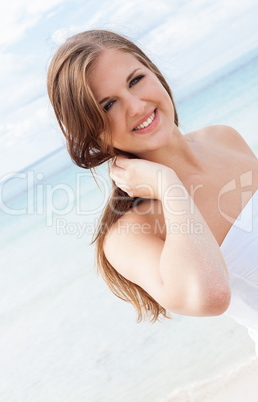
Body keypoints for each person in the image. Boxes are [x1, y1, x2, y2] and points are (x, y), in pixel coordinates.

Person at [47, 29, 258, 355]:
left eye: (135, 80)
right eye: (108, 105)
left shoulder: (223, 138)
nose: (135, 106)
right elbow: (210, 295)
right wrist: (169, 188)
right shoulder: (127, 233)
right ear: (92, 131)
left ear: (155, 73)